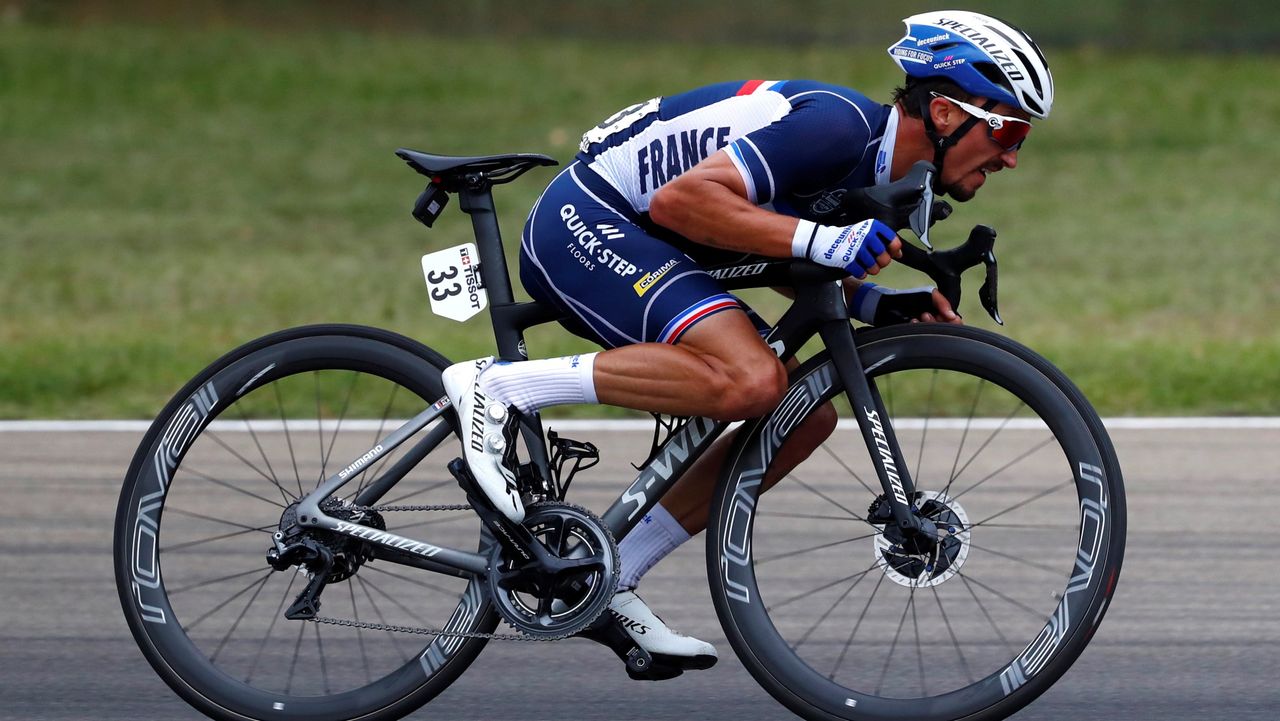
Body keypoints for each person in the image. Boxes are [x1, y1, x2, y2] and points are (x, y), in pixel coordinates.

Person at [442, 10, 1053, 678]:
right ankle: (497, 387)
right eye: (1010, 130)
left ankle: (611, 575)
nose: (1014, 155)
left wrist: (877, 301)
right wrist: (829, 242)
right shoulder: (838, 126)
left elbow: (786, 258)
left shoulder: (870, 169)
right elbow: (685, 202)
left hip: (650, 237)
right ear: (944, 113)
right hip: (588, 219)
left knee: (801, 415)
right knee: (752, 379)